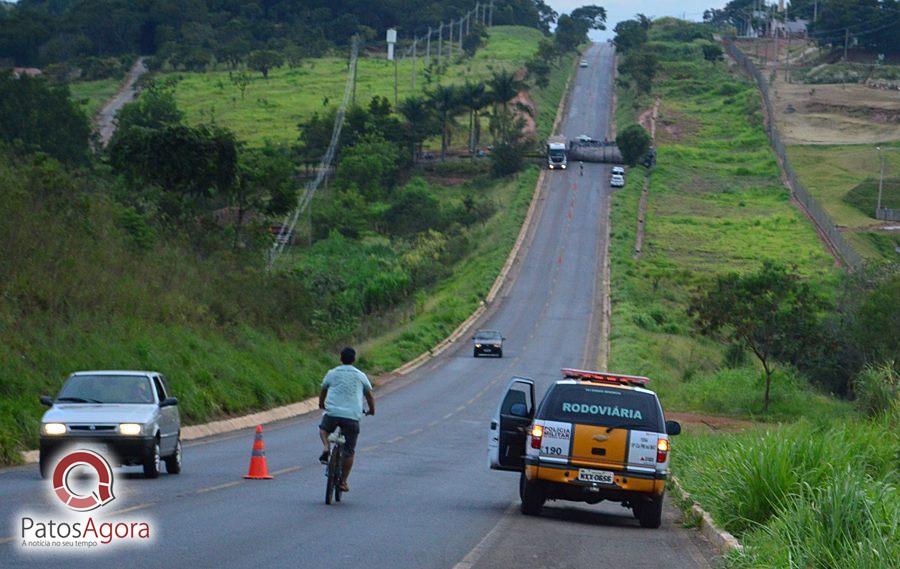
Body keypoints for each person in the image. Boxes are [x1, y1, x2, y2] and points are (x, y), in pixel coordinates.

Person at [318, 347, 375, 492]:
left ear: (340, 358)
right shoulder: (360, 375)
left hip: (332, 413)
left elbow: (323, 389)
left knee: (324, 430)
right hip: (352, 416)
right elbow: (369, 395)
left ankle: (326, 446)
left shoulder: (332, 373)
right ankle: (343, 481)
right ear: (354, 359)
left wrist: (321, 403)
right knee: (349, 450)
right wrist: (371, 410)